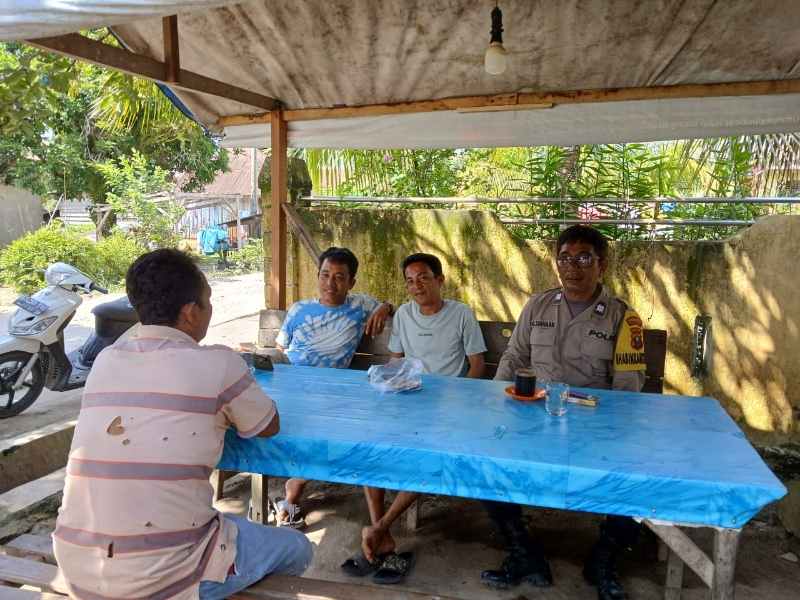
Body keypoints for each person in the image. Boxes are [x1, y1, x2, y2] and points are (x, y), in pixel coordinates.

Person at [53, 249, 312, 600]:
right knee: (298, 548)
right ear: (190, 312)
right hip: (161, 579)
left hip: (77, 564)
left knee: (227, 526)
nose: (209, 308)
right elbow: (268, 425)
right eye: (208, 300)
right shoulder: (220, 364)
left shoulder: (106, 360)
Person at [481, 225, 646, 600]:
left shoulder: (622, 318)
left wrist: (615, 435)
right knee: (486, 463)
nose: (573, 266)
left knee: (635, 476)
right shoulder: (538, 306)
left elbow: (627, 389)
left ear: (601, 265)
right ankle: (523, 552)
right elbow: (515, 356)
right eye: (565, 258)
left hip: (593, 423)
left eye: (584, 257)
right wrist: (490, 401)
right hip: (532, 419)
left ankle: (604, 558)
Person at [341, 252, 487, 584]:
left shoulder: (461, 314)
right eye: (409, 280)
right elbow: (397, 361)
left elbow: (477, 363)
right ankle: (384, 536)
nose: (416, 285)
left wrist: (460, 399)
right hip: (407, 399)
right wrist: (385, 381)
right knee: (370, 447)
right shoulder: (404, 314)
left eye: (423, 277)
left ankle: (380, 530)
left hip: (447, 408)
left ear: (440, 280)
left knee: (424, 457)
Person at [274, 246, 393, 527]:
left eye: (340, 277)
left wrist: (384, 307)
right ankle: (290, 500)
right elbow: (280, 348)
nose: (331, 283)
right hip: (294, 387)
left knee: (347, 436)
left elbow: (388, 305)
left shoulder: (358, 305)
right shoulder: (299, 309)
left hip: (332, 394)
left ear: (351, 283)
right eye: (325, 275)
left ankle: (290, 500)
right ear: (317, 276)